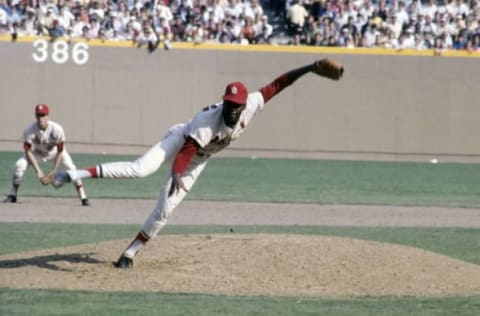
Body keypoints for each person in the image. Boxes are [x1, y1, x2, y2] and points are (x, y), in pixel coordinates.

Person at [51, 58, 344, 268]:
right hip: (182, 141)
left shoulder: (252, 103)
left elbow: (279, 84)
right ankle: (76, 173)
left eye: (235, 105)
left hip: (198, 160)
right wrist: (177, 173)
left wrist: (309, 68)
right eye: (228, 103)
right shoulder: (208, 123)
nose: (231, 108)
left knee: (165, 211)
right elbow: (185, 152)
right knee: (141, 169)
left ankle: (130, 252)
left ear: (243, 104)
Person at [3, 104, 91, 206]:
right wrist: (38, 171)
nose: (41, 118)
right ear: (35, 116)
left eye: (43, 115)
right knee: (19, 165)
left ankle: (84, 197)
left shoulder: (57, 129)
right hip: (38, 153)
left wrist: (54, 171)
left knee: (72, 168)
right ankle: (13, 195)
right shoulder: (29, 130)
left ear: (48, 116)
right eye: (38, 115)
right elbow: (28, 151)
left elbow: (60, 151)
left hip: (55, 152)